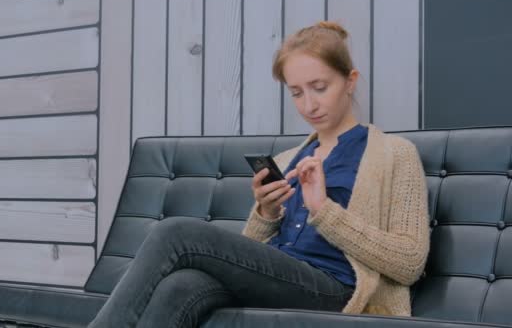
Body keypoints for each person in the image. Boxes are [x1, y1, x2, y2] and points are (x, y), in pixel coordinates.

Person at [88, 21, 430, 328]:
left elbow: (409, 263)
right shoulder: (289, 158)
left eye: (319, 87)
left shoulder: (393, 154)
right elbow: (248, 254)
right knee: (182, 286)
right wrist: (267, 214)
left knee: (175, 232)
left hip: (340, 291)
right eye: (296, 92)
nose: (308, 104)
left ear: (350, 81)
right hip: (282, 279)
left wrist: (324, 211)